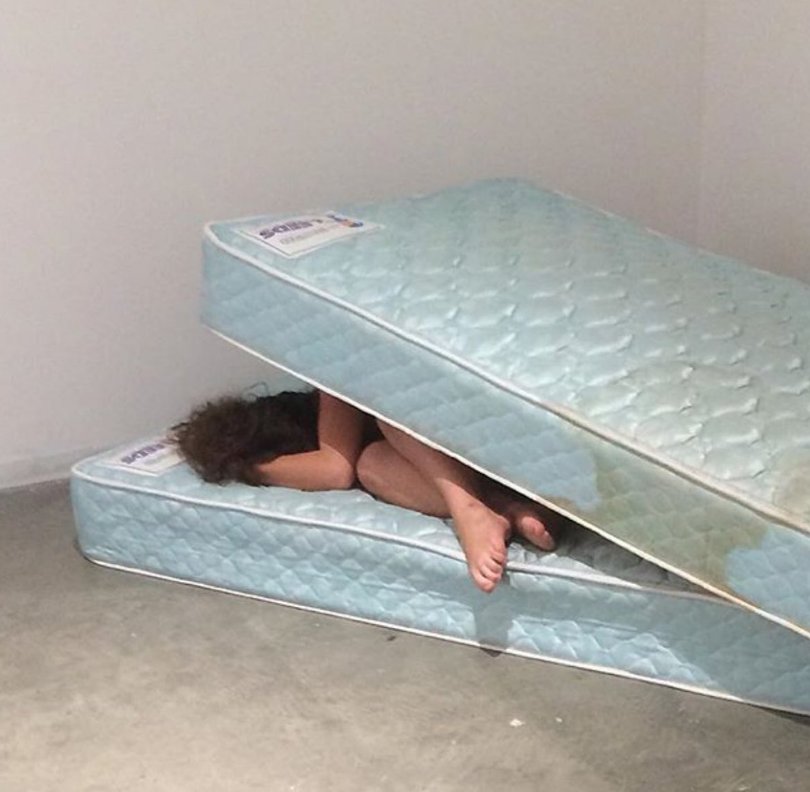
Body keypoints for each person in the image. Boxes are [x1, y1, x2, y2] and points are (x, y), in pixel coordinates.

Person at [172, 389, 559, 593]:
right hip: (482, 471)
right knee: (373, 464)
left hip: (489, 444)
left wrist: (248, 468)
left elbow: (333, 469)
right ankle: (504, 509)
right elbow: (350, 470)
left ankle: (471, 511)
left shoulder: (336, 375)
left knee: (387, 409)